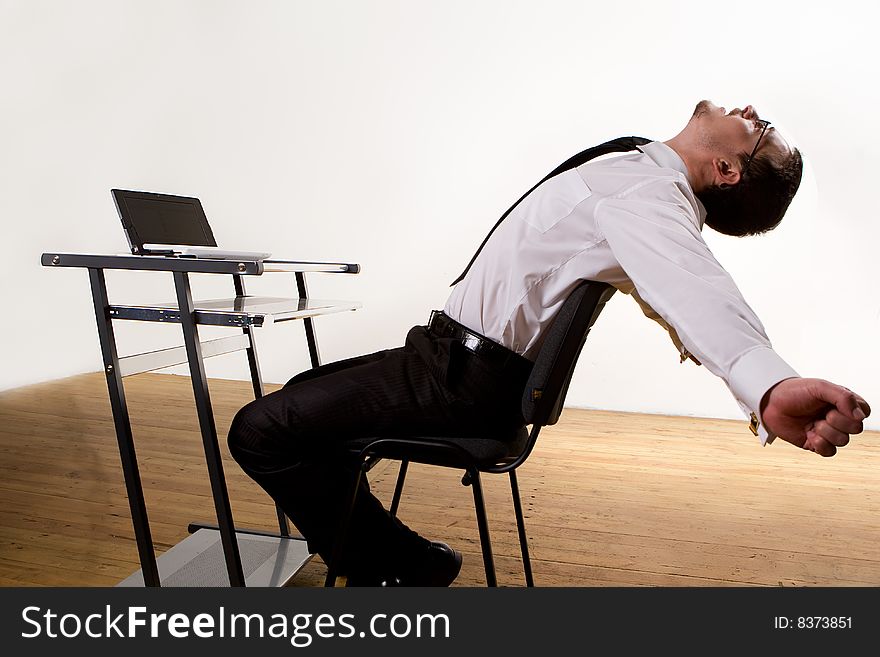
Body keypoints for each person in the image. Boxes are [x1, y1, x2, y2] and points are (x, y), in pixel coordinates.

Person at [227, 100, 872, 586]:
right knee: (302, 403)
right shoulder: (644, 173)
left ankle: (388, 562)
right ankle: (389, 551)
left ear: (728, 168)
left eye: (760, 130)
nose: (753, 111)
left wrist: (767, 383)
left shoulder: (649, 197)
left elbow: (695, 289)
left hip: (461, 381)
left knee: (259, 430)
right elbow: (671, 297)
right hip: (442, 357)